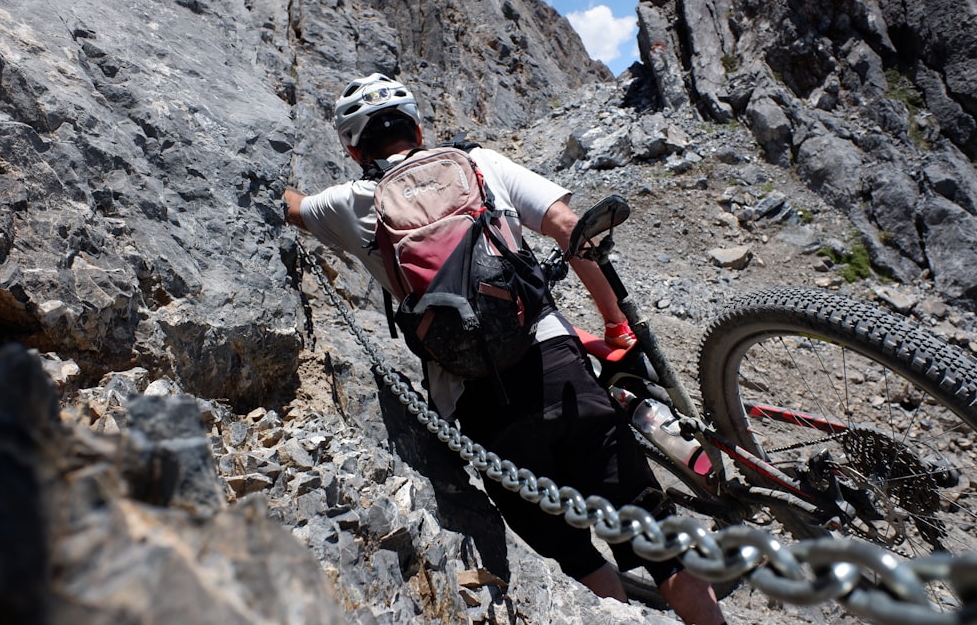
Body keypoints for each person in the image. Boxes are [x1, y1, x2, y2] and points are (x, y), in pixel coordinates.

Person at [284, 73, 727, 625]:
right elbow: (571, 227)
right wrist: (615, 327)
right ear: (418, 127)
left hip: (479, 410)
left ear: (353, 148)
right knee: (654, 538)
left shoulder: (351, 204)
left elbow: (290, 206)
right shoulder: (480, 165)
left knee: (576, 561)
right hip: (558, 368)